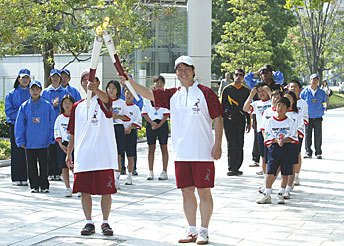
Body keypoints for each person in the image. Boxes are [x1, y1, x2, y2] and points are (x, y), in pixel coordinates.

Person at [119, 55, 223, 245]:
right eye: (179, 70)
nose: (183, 73)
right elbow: (148, 94)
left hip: (202, 152)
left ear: (193, 71)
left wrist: (218, 144)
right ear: (176, 73)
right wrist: (129, 81)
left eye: (186, 69)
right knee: (186, 191)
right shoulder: (173, 94)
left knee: (204, 192)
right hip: (182, 152)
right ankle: (191, 229)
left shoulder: (206, 93)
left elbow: (217, 117)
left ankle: (204, 231)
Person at [66, 70, 118, 236]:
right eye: (84, 80)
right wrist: (69, 153)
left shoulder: (103, 101)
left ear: (97, 82)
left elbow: (107, 100)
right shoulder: (77, 106)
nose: (87, 83)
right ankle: (89, 222)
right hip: (84, 155)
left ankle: (105, 222)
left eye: (91, 80)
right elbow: (72, 132)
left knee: (106, 191)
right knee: (84, 191)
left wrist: (95, 90)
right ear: (81, 83)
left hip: (102, 155)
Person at [15, 80, 55, 193]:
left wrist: (51, 137)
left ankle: (44, 185)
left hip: (43, 141)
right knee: (31, 165)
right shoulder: (24, 106)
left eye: (37, 89)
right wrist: (20, 140)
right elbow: (19, 125)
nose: (35, 91)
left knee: (44, 165)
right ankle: (34, 185)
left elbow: (52, 122)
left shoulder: (47, 106)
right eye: (33, 89)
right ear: (29, 90)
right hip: (29, 141)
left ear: (41, 90)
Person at [257, 97, 299, 204]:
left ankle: (281, 193)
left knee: (285, 173)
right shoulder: (270, 121)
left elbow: (294, 137)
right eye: (278, 105)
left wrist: (284, 140)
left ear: (287, 108)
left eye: (283, 106)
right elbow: (267, 136)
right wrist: (276, 140)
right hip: (274, 149)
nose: (280, 108)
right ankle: (267, 194)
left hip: (287, 148)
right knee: (270, 172)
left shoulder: (291, 122)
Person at [221, 68, 250, 176]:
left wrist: (249, 123)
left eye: (241, 75)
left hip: (240, 120)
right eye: (236, 74)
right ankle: (231, 167)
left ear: (243, 77)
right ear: (233, 76)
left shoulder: (246, 91)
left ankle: (238, 166)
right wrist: (223, 118)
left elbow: (248, 108)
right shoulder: (227, 89)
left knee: (239, 143)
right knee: (231, 143)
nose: (238, 76)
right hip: (229, 120)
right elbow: (221, 106)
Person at [5, 68, 31, 186]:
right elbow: (9, 111)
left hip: (28, 126)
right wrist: (22, 115)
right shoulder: (11, 94)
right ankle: (16, 177)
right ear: (18, 79)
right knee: (16, 151)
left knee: (27, 150)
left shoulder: (32, 93)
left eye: (27, 78)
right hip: (14, 125)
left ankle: (25, 177)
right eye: (23, 78)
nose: (25, 80)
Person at [243, 83, 272, 189]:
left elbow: (277, 102)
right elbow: (245, 108)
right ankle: (266, 180)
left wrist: (269, 91)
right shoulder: (256, 104)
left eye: (263, 91)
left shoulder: (272, 102)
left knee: (272, 158)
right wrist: (251, 95)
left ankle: (272, 178)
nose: (262, 94)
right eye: (259, 92)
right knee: (264, 158)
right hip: (261, 132)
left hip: (272, 133)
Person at [42, 69, 69, 181]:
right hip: (49, 123)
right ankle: (50, 172)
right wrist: (51, 105)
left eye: (57, 77)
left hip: (61, 124)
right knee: (49, 149)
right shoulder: (45, 92)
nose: (55, 79)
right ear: (50, 78)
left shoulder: (64, 92)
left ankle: (58, 172)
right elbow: (42, 107)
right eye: (53, 77)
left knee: (59, 148)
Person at [142, 75, 170, 181]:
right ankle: (150, 171)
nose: (159, 84)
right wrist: (152, 123)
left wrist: (160, 124)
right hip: (151, 124)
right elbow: (144, 113)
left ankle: (164, 171)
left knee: (164, 148)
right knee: (151, 148)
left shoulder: (166, 96)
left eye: (161, 83)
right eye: (157, 82)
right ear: (153, 84)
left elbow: (167, 113)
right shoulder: (148, 97)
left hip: (162, 124)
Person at [106, 80, 130, 189]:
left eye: (113, 88)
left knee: (118, 154)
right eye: (109, 88)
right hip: (107, 129)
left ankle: (116, 177)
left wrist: (118, 116)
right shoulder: (104, 102)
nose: (110, 90)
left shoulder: (121, 103)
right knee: (107, 154)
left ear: (117, 90)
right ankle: (107, 177)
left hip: (118, 129)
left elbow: (127, 117)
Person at [300, 74, 327, 159]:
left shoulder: (322, 92)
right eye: (313, 79)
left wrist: (323, 110)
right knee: (308, 135)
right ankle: (308, 152)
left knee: (318, 135)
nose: (314, 81)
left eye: (316, 80)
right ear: (310, 80)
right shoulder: (304, 92)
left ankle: (318, 152)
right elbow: (301, 103)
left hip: (318, 116)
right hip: (308, 117)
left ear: (318, 81)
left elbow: (324, 102)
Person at [288, 80, 308, 186]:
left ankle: (296, 175)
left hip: (297, 133)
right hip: (286, 133)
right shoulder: (284, 102)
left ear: (300, 89)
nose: (293, 89)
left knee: (297, 154)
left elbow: (305, 118)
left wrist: (297, 127)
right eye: (291, 87)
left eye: (295, 87)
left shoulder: (303, 103)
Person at [54, 95, 75, 197]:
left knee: (75, 166)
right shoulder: (59, 118)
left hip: (74, 143)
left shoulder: (76, 117)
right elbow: (56, 131)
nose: (67, 105)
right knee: (64, 167)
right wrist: (60, 144)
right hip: (63, 144)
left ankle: (78, 187)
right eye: (65, 103)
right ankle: (68, 187)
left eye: (69, 103)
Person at [123, 88, 142, 185]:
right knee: (118, 155)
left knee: (130, 156)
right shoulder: (121, 106)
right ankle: (116, 176)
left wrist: (130, 127)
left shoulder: (136, 108)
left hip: (131, 134)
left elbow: (138, 121)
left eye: (131, 94)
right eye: (127, 93)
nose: (129, 95)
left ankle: (129, 175)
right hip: (120, 134)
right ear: (124, 93)